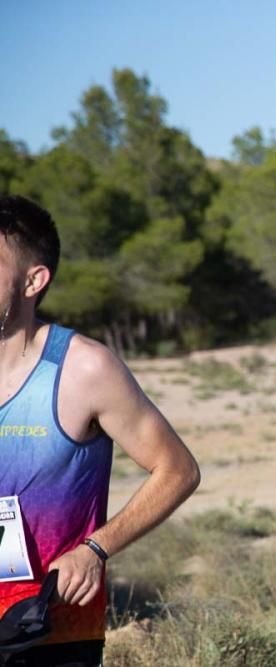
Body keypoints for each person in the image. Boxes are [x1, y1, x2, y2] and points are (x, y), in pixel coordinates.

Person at [0, 195, 200, 666]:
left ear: (33, 280)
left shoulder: (82, 368)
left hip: (49, 629)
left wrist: (95, 549)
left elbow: (178, 470)